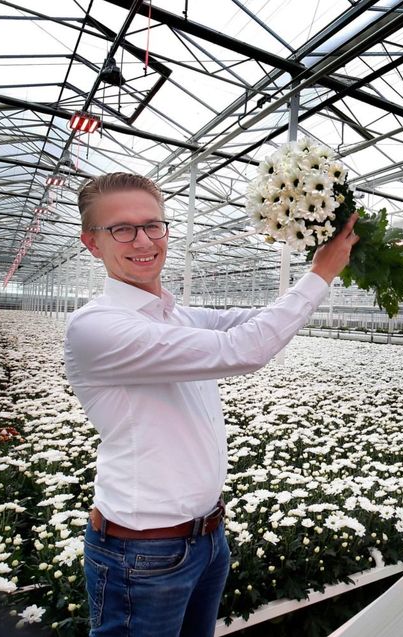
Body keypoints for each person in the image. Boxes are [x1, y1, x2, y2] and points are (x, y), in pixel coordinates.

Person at [64, 172, 358, 636]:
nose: (142, 239)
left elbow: (257, 323)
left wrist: (318, 239)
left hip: (206, 541)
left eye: (152, 225)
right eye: (121, 228)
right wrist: (320, 272)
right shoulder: (97, 327)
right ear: (92, 243)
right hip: (142, 555)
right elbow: (246, 349)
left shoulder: (177, 316)